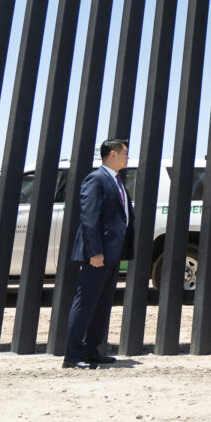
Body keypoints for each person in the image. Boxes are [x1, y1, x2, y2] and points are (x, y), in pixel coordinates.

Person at [63, 138, 135, 369]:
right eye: (124, 152)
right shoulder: (96, 179)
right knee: (85, 303)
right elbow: (89, 218)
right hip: (98, 254)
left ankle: (92, 350)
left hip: (112, 254)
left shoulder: (116, 180)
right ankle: (72, 356)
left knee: (102, 304)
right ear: (112, 154)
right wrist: (95, 251)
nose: (127, 156)